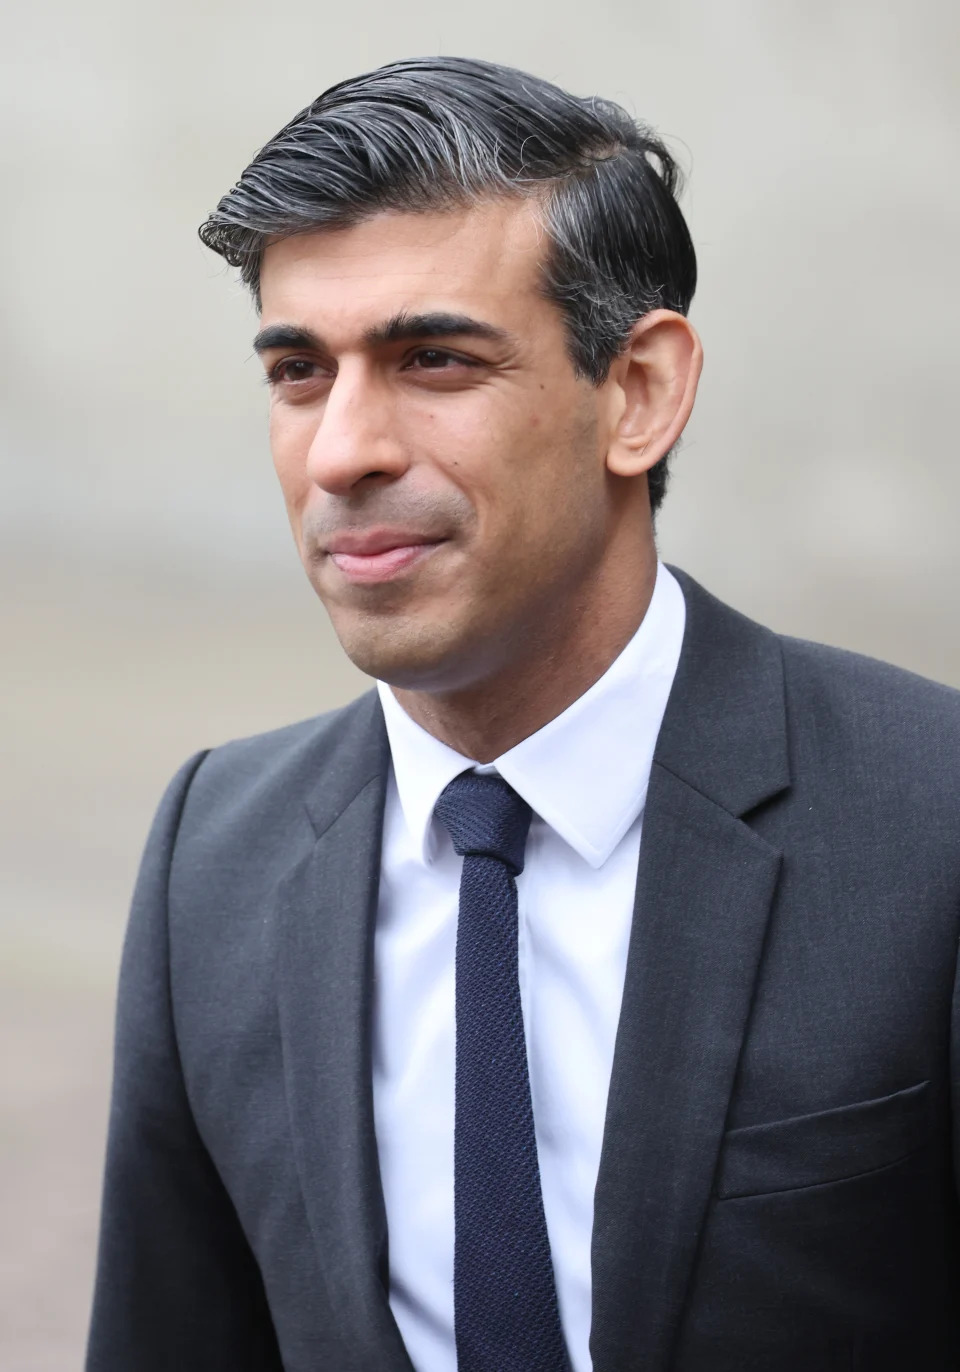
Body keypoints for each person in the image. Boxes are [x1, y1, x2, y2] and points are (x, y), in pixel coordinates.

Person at [86, 56, 960, 1372]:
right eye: (298, 373)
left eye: (433, 360)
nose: (343, 451)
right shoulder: (215, 855)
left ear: (640, 393)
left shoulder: (930, 815)